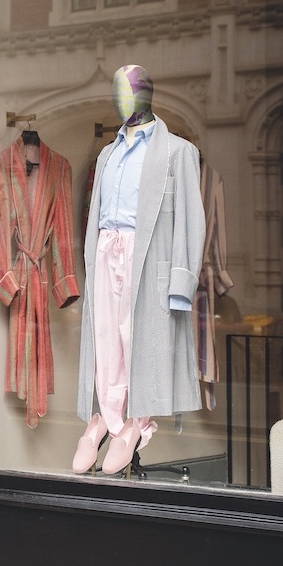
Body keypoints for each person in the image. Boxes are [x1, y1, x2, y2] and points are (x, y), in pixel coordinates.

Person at [74, 65, 205, 475]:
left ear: (149, 96)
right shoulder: (107, 153)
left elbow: (190, 218)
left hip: (148, 260)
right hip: (107, 251)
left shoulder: (178, 151)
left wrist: (182, 281)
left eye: (132, 93)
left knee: (137, 342)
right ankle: (102, 421)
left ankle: (132, 424)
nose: (125, 101)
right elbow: (94, 216)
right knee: (106, 341)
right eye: (119, 94)